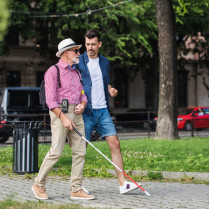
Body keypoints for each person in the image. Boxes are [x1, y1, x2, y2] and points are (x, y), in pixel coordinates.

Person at [78, 29, 141, 194]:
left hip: (103, 110)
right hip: (86, 111)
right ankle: (76, 185)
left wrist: (111, 89)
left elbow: (106, 82)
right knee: (81, 148)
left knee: (115, 144)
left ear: (99, 44)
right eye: (87, 44)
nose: (90, 47)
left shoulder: (105, 62)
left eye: (93, 44)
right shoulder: (79, 61)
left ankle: (123, 184)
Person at [32, 38, 95, 200]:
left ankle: (76, 189)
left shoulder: (77, 72)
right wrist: (64, 118)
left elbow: (82, 93)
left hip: (77, 112)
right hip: (60, 112)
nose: (78, 53)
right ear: (66, 53)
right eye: (76, 50)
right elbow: (50, 100)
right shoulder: (53, 71)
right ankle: (38, 184)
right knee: (56, 151)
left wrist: (82, 103)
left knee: (80, 152)